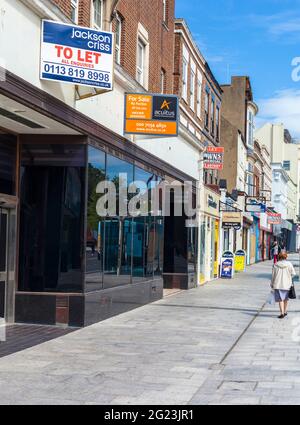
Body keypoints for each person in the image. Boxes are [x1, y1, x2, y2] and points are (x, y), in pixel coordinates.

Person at [270, 251, 296, 319]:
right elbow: (293, 273)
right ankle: (284, 311)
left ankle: (281, 313)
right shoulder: (289, 264)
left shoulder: (275, 265)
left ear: (279, 257)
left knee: (280, 299)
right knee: (285, 299)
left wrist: (272, 283)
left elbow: (273, 276)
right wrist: (289, 277)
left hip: (277, 284)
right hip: (287, 284)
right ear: (286, 256)